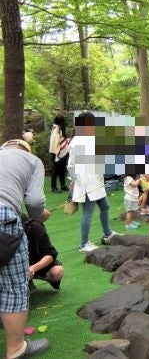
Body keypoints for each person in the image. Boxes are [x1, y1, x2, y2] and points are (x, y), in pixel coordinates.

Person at [0, 138, 50, 359]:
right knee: (14, 287)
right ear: (25, 149)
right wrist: (38, 215)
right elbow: (36, 201)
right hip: (4, 217)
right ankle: (16, 348)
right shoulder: (31, 160)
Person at [67, 111, 118, 252]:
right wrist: (75, 180)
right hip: (86, 183)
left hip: (96, 181)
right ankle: (83, 244)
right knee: (88, 212)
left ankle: (107, 234)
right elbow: (71, 165)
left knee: (105, 206)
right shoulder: (77, 141)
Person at [24, 218, 64, 290]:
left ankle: (29, 280)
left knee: (57, 272)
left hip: (34, 262)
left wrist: (33, 268)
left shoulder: (34, 226)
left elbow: (50, 254)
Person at [48, 115, 70, 193]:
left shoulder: (60, 128)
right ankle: (54, 187)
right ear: (59, 122)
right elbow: (54, 143)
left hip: (63, 152)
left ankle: (63, 185)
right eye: (62, 122)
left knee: (62, 169)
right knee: (56, 170)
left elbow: (62, 139)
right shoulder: (55, 130)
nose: (64, 123)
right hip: (56, 153)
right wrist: (55, 155)